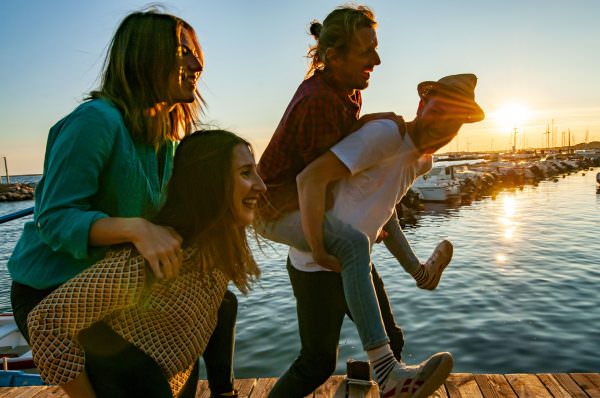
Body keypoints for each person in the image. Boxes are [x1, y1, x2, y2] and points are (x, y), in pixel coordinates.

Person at [7, 9, 237, 398]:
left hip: (110, 288)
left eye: (195, 53)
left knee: (217, 307)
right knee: (148, 386)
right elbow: (55, 217)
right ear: (143, 56)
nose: (197, 64)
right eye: (183, 52)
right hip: (52, 292)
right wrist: (137, 228)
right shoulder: (96, 121)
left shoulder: (165, 139)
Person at [257, 5, 458, 397]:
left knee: (340, 352)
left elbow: (364, 184)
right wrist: (319, 246)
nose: (378, 59)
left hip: (316, 227)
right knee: (351, 246)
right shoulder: (319, 101)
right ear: (333, 56)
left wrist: (365, 124)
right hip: (273, 209)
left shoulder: (347, 93)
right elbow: (311, 179)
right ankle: (386, 373)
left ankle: (415, 292)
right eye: (367, 51)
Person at [27, 130, 266, 398]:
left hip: (175, 378)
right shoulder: (156, 258)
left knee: (226, 303)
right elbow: (45, 323)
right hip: (134, 384)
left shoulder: (215, 252)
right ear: (209, 183)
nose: (261, 185)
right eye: (246, 173)